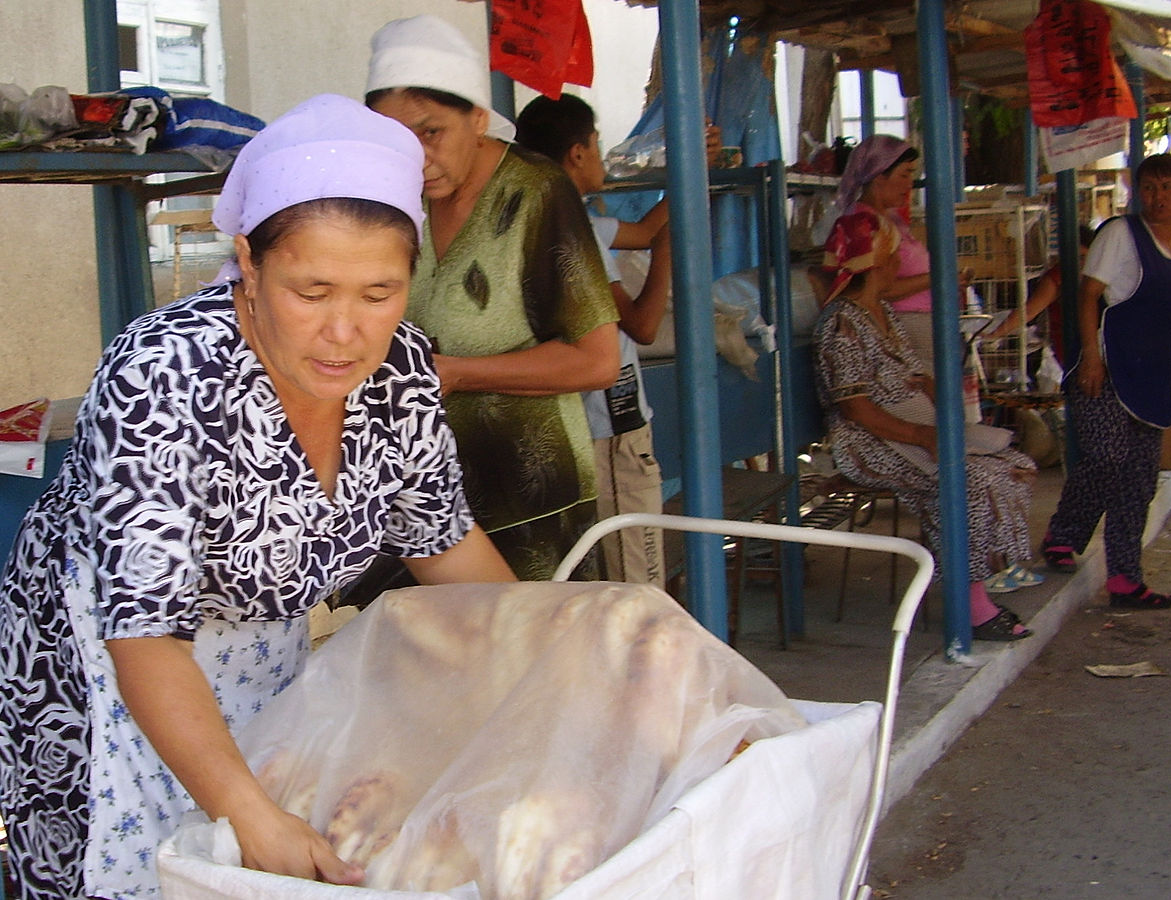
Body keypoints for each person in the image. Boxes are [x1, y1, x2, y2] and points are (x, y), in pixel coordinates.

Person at [0, 93, 516, 900]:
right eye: (311, 292)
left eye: (379, 293)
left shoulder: (403, 369)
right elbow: (145, 640)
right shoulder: (163, 376)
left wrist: (558, 664)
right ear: (248, 260)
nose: (345, 332)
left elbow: (445, 543)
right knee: (142, 867)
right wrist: (246, 811)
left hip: (253, 639)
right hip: (111, 661)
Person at [365, 15, 620, 581]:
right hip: (415, 500)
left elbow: (598, 360)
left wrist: (455, 372)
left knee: (529, 657)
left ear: (478, 118)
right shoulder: (390, 196)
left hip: (529, 500)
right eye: (395, 139)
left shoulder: (535, 192)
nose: (416, 157)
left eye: (431, 132)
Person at [813, 210, 1036, 641]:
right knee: (968, 482)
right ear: (878, 264)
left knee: (1012, 465)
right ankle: (969, 608)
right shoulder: (841, 324)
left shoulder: (880, 311)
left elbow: (914, 375)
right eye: (894, 254)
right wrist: (923, 435)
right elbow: (857, 409)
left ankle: (978, 584)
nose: (900, 262)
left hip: (914, 427)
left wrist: (944, 410)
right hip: (870, 441)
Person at [514, 93, 674, 587]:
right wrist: (675, 245)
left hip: (593, 427)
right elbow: (641, 325)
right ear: (578, 152)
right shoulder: (574, 230)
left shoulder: (556, 215)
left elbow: (646, 230)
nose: (603, 156)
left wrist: (693, 172)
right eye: (598, 145)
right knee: (638, 586)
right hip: (610, 429)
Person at [1041, 154, 1171, 607]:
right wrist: (1091, 356)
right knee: (1105, 458)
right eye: (1149, 187)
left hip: (1151, 375)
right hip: (1107, 369)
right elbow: (1089, 294)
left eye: (1169, 187)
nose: (1158, 197)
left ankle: (1126, 580)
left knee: (1139, 479)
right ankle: (1063, 534)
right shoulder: (1120, 234)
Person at [829, 134, 973, 370]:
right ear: (878, 175)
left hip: (926, 322)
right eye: (904, 174)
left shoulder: (890, 219)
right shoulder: (864, 223)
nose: (909, 185)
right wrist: (939, 278)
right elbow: (877, 289)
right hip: (908, 324)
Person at [983, 224, 1097, 362]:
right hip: (1074, 346)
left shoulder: (1096, 274)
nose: (1082, 263)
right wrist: (996, 334)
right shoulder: (1060, 276)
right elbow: (1029, 311)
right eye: (1078, 257)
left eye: (1085, 257)